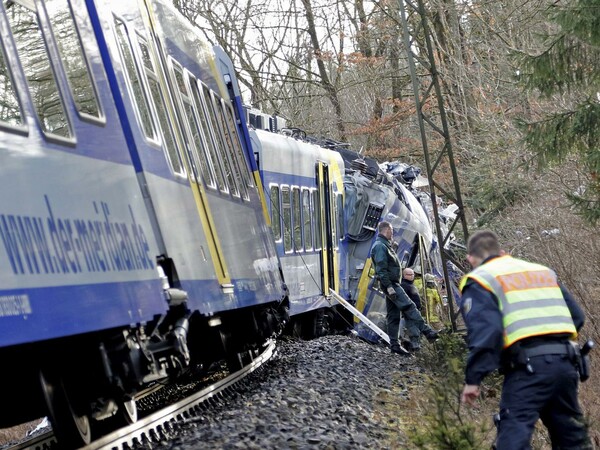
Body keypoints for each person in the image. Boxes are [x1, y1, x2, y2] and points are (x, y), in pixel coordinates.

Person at [459, 230, 591, 449]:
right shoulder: (542, 272)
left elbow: (487, 333)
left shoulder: (481, 279)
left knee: (514, 434)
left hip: (527, 369)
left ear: (470, 259)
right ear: (502, 252)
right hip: (566, 365)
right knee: (573, 438)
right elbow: (576, 317)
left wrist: (473, 379)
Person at [371, 221, 439, 356]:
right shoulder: (380, 246)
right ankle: (427, 332)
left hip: (390, 284)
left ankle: (394, 345)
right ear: (386, 230)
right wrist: (389, 286)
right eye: (391, 230)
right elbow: (381, 269)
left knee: (393, 315)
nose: (393, 233)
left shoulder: (384, 245)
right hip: (391, 284)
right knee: (409, 306)